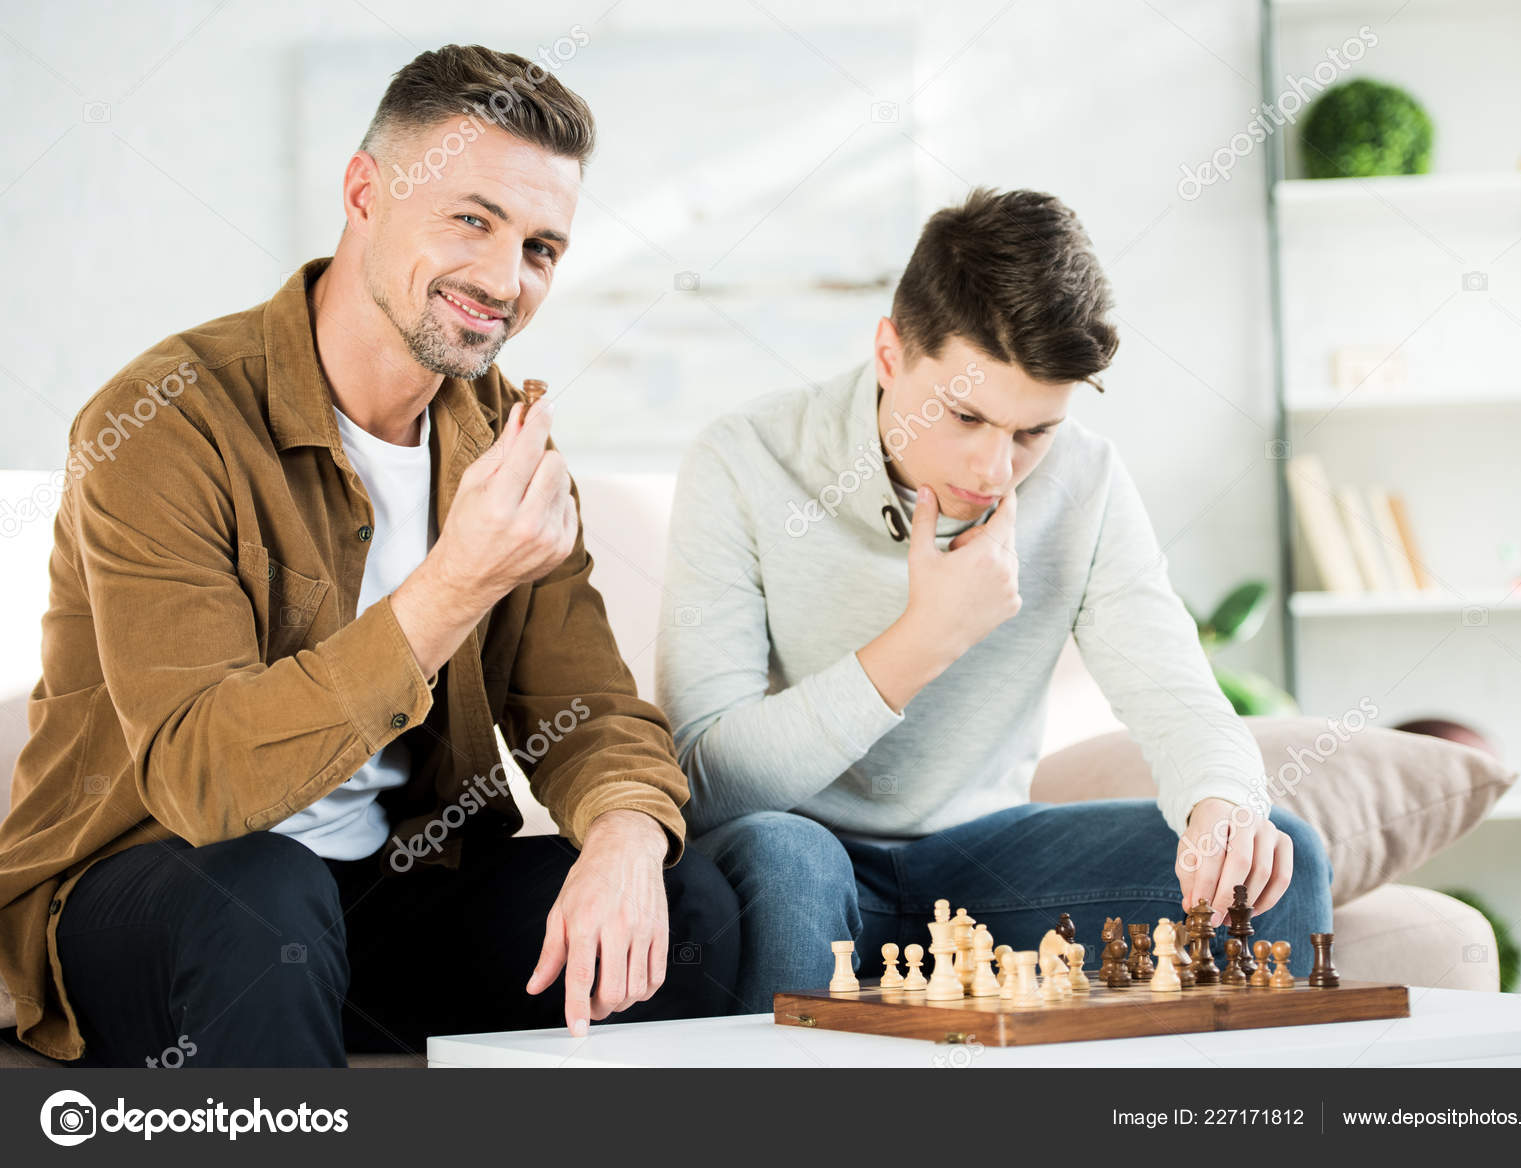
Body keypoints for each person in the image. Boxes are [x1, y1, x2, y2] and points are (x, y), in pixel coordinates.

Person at [0, 44, 737, 1067]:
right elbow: (201, 783)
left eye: (540, 247)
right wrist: (455, 581)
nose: (502, 278)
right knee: (264, 897)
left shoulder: (503, 439)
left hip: (387, 897)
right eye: (471, 219)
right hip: (158, 896)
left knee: (685, 896)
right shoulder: (167, 420)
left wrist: (623, 832)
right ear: (363, 192)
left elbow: (592, 712)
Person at [655, 188, 1333, 1010]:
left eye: (1031, 433)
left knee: (1276, 857)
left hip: (984, 859)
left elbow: (1176, 694)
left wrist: (1222, 802)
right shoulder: (744, 460)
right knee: (784, 861)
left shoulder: (1086, 480)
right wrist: (924, 641)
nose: (992, 470)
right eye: (966, 416)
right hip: (798, 848)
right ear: (889, 354)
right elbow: (704, 778)